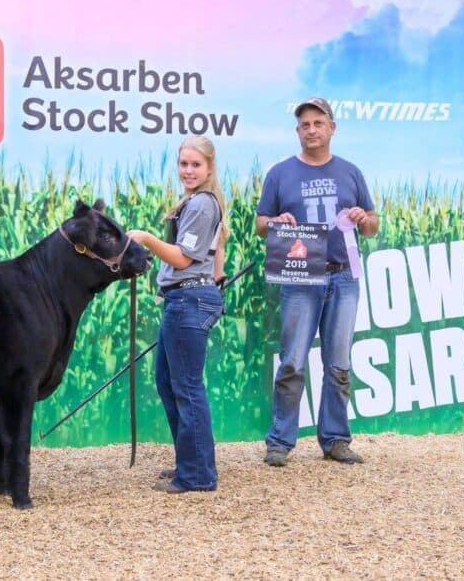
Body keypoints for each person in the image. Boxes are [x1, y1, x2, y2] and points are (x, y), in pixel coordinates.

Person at [255, 97, 379, 467]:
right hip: (299, 278)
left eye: (318, 123)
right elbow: (262, 224)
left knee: (338, 363)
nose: (311, 130)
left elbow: (372, 226)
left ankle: (336, 439)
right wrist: (276, 222)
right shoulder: (280, 174)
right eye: (305, 125)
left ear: (332, 128)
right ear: (298, 132)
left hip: (343, 276)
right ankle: (280, 441)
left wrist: (362, 218)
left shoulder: (351, 172)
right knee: (292, 361)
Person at [127, 135, 229, 493]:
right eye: (184, 164)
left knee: (186, 387)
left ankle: (199, 475)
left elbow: (183, 259)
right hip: (185, 298)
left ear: (209, 168)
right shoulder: (200, 202)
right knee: (171, 384)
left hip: (188, 300)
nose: (188, 170)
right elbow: (215, 256)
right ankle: (190, 462)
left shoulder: (201, 204)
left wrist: (145, 239)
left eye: (195, 165)